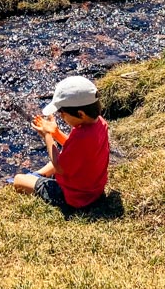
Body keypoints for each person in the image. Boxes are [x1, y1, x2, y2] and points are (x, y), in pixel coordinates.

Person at [13, 76, 109, 210]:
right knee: (63, 154)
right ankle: (37, 176)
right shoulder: (100, 123)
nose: (61, 116)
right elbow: (75, 148)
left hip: (75, 197)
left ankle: (35, 179)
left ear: (81, 114)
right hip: (93, 188)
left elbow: (59, 167)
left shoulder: (81, 136)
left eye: (62, 113)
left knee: (18, 180)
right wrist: (56, 133)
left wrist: (47, 136)